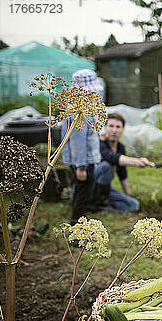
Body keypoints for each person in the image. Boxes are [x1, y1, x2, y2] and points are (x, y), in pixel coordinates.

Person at [61, 69, 103, 225]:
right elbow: (78, 140)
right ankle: (76, 225)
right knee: (83, 192)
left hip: (81, 159)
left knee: (79, 190)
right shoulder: (80, 112)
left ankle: (77, 218)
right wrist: (81, 167)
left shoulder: (74, 108)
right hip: (84, 160)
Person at [93, 113, 151, 212]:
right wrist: (136, 161)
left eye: (118, 127)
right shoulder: (99, 143)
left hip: (105, 190)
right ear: (105, 127)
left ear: (123, 130)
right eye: (111, 126)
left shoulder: (120, 147)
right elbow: (112, 157)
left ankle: (102, 206)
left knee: (134, 204)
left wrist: (128, 194)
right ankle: (95, 202)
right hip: (90, 186)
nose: (114, 130)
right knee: (106, 166)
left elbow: (122, 173)